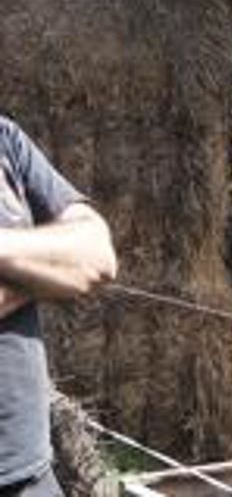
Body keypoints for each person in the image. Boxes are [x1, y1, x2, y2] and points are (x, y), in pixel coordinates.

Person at [0, 116, 117, 497]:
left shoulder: (5, 139)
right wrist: (44, 269)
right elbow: (73, 260)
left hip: (30, 476)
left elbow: (97, 256)